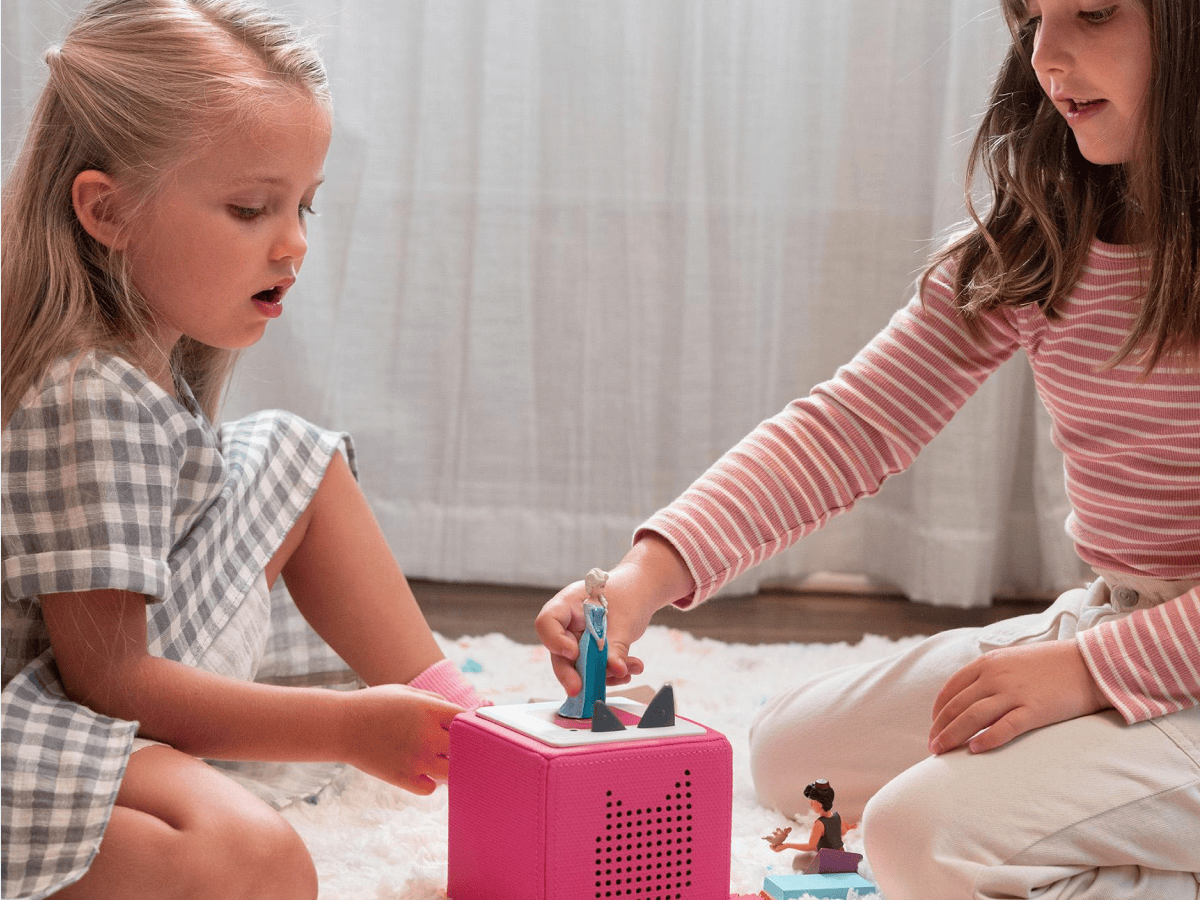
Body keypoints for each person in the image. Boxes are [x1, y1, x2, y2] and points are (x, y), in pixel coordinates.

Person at [537, 1, 1199, 897]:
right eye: (1033, 15)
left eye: (1090, 11)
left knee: (913, 837)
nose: (1047, 54)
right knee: (790, 758)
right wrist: (640, 579)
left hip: (1160, 658)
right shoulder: (1046, 237)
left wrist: (1090, 674)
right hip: (1122, 618)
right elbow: (850, 426)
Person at [0, 2, 485, 898]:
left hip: (88, 697)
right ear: (108, 211)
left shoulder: (139, 364)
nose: (294, 242)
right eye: (251, 208)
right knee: (254, 863)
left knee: (295, 453)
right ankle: (457, 732)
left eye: (303, 205)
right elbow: (104, 679)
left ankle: (466, 724)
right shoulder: (86, 392)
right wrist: (343, 729)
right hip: (43, 718)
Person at [557, 568, 610, 718]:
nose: (603, 589)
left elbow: (604, 622)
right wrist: (597, 638)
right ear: (593, 587)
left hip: (602, 641)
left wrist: (603, 638)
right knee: (589, 672)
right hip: (591, 642)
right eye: (601, 586)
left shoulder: (601, 603)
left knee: (600, 673)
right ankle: (585, 708)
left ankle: (599, 705)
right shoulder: (588, 603)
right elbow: (590, 624)